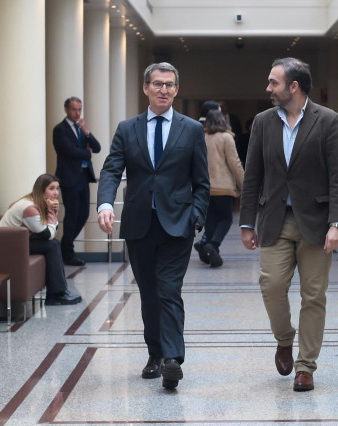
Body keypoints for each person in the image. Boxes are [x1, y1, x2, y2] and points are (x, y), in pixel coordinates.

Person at [239, 58, 338, 392]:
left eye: (274, 83)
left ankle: (306, 366)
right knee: (271, 285)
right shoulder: (262, 123)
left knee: (314, 295)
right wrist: (246, 222)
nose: (268, 88)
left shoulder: (328, 121)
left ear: (294, 87)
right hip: (274, 220)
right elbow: (253, 175)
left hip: (316, 224)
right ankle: (285, 338)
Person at [97, 62, 209, 390]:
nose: (163, 90)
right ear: (145, 88)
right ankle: (155, 353)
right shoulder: (127, 129)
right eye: (157, 84)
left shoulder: (191, 130)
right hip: (139, 225)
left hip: (178, 225)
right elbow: (110, 169)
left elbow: (202, 182)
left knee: (169, 290)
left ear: (176, 89)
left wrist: (197, 215)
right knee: (149, 294)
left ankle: (173, 359)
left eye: (170, 85)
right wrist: (105, 203)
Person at [0, 174, 82, 305]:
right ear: (42, 190)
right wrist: (53, 214)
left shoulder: (38, 203)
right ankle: (56, 294)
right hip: (7, 245)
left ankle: (59, 292)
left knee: (53, 244)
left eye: (57, 188)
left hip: (19, 241)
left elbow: (49, 232)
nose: (56, 193)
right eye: (51, 188)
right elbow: (48, 234)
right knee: (52, 245)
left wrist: (52, 214)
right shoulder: (30, 208)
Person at [53, 96, 101, 266]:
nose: (77, 113)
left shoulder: (81, 129)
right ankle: (67, 252)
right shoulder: (60, 129)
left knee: (84, 214)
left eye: (79, 109)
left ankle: (63, 247)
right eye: (74, 109)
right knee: (72, 215)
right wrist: (86, 152)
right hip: (69, 178)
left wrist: (86, 131)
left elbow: (97, 147)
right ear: (66, 110)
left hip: (83, 177)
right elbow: (68, 151)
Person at [198, 109, 244, 267]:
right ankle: (214, 245)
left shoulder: (202, 138)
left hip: (206, 188)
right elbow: (235, 163)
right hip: (224, 188)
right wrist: (244, 184)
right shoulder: (226, 137)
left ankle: (208, 249)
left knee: (210, 219)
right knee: (226, 219)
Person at [193, 100, 222, 264]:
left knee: (209, 215)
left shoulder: (196, 127)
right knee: (222, 217)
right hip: (213, 181)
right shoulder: (208, 131)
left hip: (201, 181)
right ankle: (208, 243)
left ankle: (205, 242)